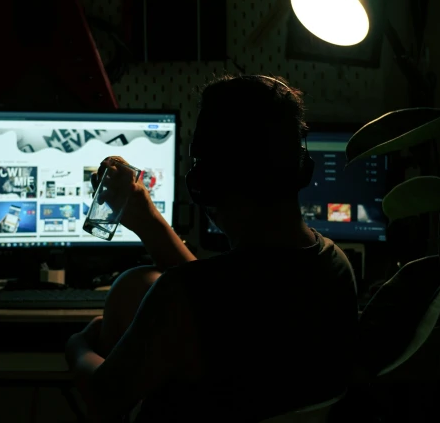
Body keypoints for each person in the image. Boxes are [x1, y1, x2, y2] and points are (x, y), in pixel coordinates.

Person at [65, 75, 358, 423]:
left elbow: (104, 396)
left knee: (132, 286)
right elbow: (224, 299)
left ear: (207, 185)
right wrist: (148, 221)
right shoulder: (335, 266)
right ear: (301, 167)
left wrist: (78, 346)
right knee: (139, 282)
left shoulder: (183, 297)